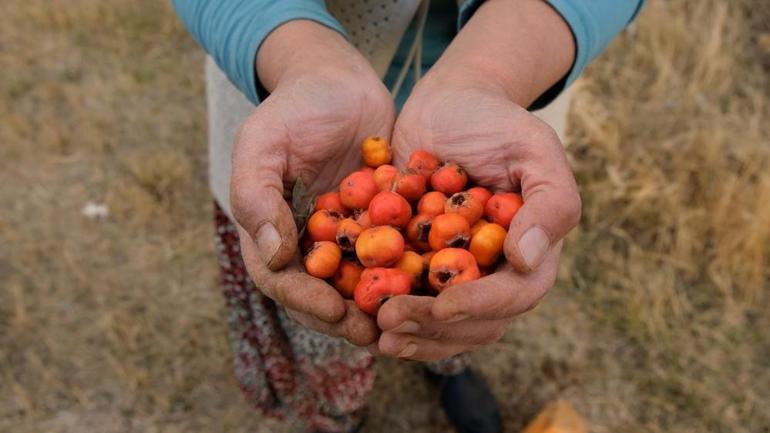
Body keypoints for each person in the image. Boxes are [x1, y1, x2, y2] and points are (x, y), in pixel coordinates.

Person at [173, 1, 644, 432]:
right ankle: (333, 412)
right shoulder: (370, 218)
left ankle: (449, 370)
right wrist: (301, 61)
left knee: (450, 311)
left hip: (499, 106)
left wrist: (488, 76)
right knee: (317, 307)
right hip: (298, 114)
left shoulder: (425, 218)